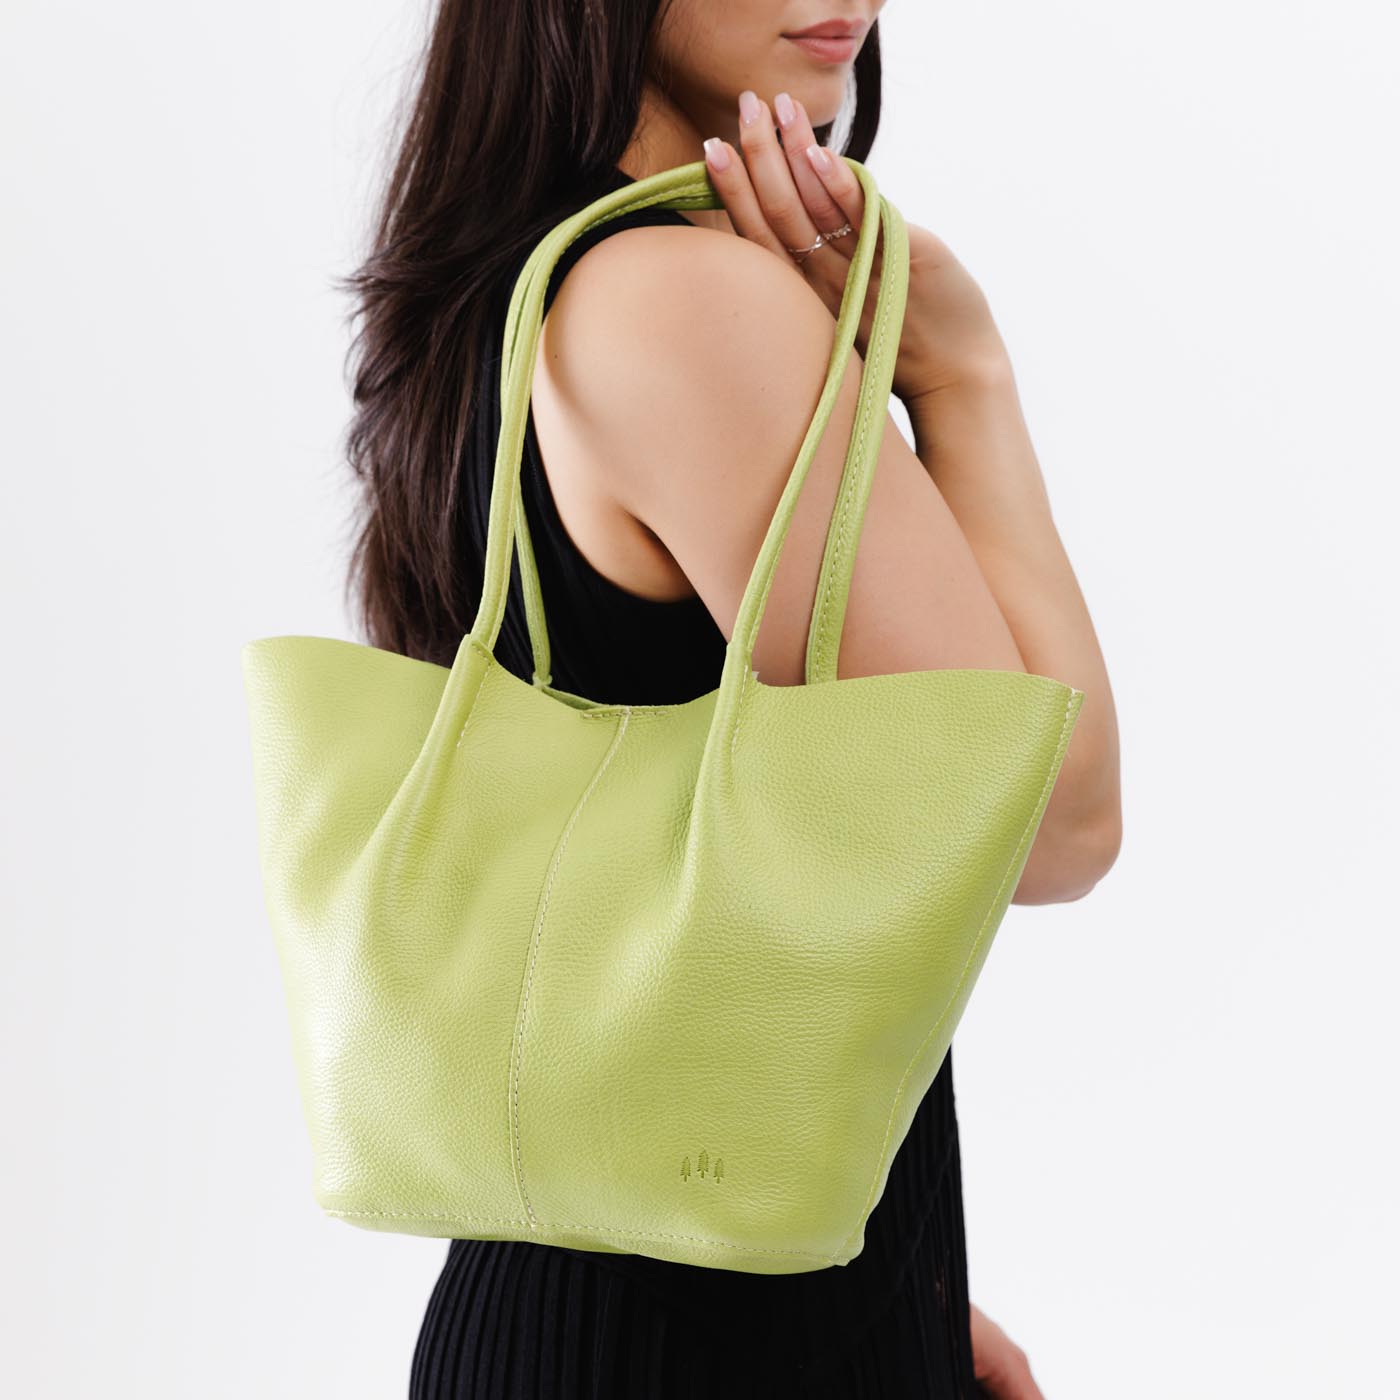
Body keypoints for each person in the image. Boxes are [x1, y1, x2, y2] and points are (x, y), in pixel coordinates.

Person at [338, 2, 1122, 1395]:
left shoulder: (519, 283)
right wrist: (964, 379)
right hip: (694, 1339)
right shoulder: (683, 299)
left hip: (646, 1297)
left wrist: (899, 1286)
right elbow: (1051, 828)